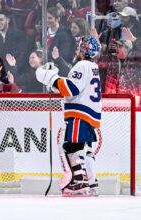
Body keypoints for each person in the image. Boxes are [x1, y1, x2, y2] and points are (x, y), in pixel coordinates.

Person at [35, 36, 101, 197]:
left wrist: (50, 78)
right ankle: (92, 184)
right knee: (86, 149)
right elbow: (76, 87)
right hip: (91, 113)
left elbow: (71, 89)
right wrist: (57, 80)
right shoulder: (93, 66)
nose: (77, 50)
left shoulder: (82, 65)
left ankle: (79, 183)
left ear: (83, 50)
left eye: (79, 47)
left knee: (73, 147)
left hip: (80, 112)